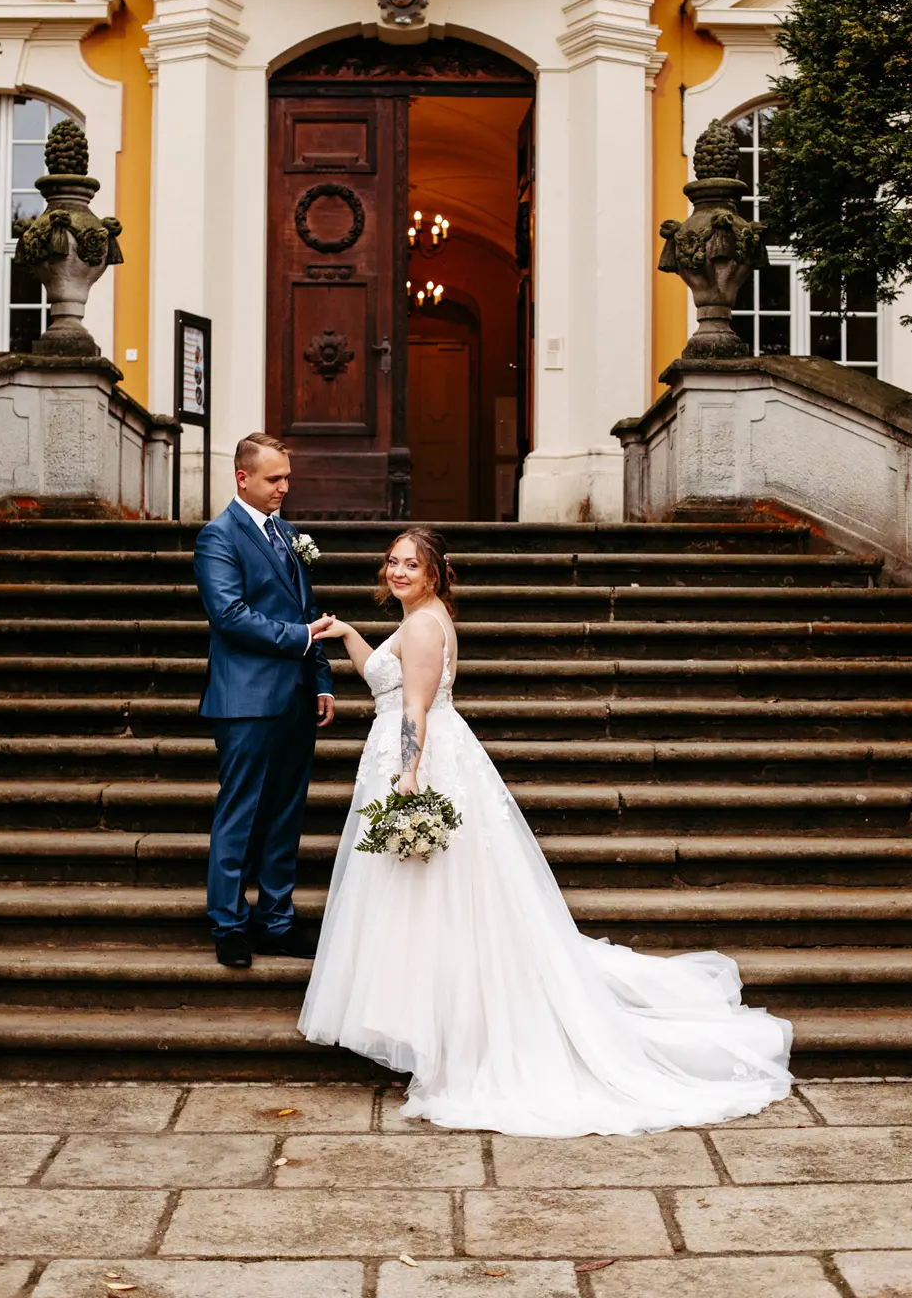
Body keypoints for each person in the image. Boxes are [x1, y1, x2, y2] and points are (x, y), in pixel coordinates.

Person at [299, 528, 793, 1137]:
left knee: (436, 900)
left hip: (418, 760)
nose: (398, 571)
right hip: (412, 754)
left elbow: (415, 708)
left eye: (411, 564)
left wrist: (407, 777)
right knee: (423, 901)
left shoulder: (426, 626)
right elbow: (386, 679)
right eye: (393, 562)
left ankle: (451, 1038)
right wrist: (350, 634)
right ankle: (430, 1028)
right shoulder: (418, 617)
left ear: (434, 574)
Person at [193, 433, 335, 969]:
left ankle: (276, 920)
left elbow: (310, 610)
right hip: (246, 700)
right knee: (241, 813)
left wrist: (321, 679)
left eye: (287, 478)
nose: (283, 487)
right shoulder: (218, 538)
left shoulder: (290, 534)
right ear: (242, 478)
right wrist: (300, 639)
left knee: (284, 814)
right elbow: (228, 615)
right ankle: (229, 924)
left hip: (297, 697)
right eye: (274, 478)